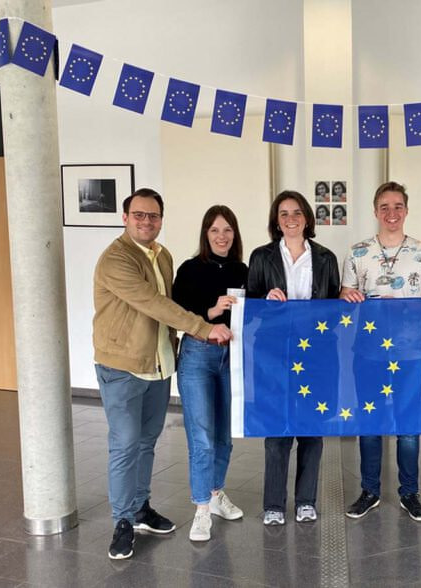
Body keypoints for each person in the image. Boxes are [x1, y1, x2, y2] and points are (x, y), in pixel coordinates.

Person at [93, 188, 232, 560]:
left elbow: (171, 304)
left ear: (161, 220)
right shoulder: (116, 260)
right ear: (125, 218)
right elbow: (154, 304)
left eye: (153, 216)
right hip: (122, 366)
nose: (146, 221)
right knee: (124, 445)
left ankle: (141, 508)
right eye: (139, 215)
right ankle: (122, 521)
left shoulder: (162, 255)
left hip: (158, 365)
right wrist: (203, 327)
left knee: (146, 442)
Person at [341, 181, 421, 522]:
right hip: (368, 352)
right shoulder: (358, 253)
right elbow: (345, 298)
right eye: (384, 207)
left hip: (410, 353)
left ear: (406, 210)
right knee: (369, 422)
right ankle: (369, 490)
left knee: (408, 425)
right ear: (375, 211)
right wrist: (350, 298)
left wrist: (401, 305)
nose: (391, 213)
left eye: (397, 206)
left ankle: (409, 492)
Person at [248, 190, 340, 525]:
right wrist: (265, 298)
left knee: (311, 431)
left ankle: (305, 500)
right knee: (277, 431)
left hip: (315, 355)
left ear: (307, 219)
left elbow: (332, 306)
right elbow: (250, 304)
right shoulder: (261, 256)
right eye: (284, 213)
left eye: (297, 212)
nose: (290, 219)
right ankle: (273, 504)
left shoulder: (326, 257)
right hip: (275, 353)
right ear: (276, 220)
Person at [172, 205, 248, 542]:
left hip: (231, 358)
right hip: (197, 357)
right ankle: (201, 509)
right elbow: (176, 310)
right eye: (215, 230)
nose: (222, 236)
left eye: (228, 230)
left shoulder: (243, 270)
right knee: (201, 438)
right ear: (206, 234)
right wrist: (211, 311)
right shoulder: (190, 269)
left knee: (223, 437)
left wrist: (274, 299)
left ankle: (216, 494)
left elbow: (256, 311)